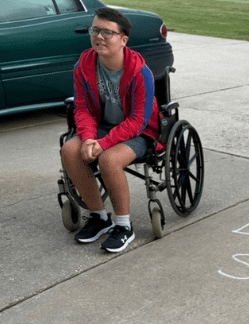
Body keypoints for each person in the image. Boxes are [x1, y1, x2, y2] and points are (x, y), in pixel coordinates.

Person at [62, 7, 160, 253]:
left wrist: (102, 144)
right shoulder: (83, 66)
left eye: (108, 32)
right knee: (70, 150)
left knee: (109, 160)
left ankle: (124, 225)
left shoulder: (140, 72)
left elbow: (138, 120)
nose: (99, 37)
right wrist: (87, 139)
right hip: (102, 127)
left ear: (123, 39)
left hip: (139, 131)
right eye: (95, 30)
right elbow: (82, 108)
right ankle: (99, 217)